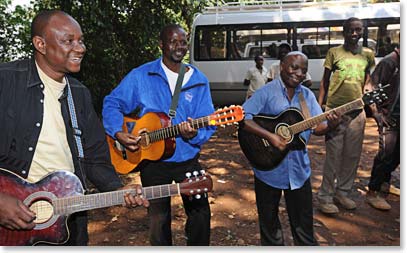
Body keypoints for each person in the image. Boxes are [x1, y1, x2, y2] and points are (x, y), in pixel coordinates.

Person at [0, 10, 149, 246]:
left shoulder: (78, 94)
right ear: (40, 44)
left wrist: (117, 190)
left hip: (67, 220)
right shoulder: (6, 81)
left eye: (80, 40)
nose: (80, 48)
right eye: (68, 41)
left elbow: (95, 156)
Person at [102, 24, 216, 246]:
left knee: (201, 215)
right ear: (161, 45)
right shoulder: (142, 75)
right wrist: (118, 132)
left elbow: (209, 122)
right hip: (152, 162)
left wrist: (193, 135)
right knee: (158, 219)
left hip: (187, 159)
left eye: (183, 42)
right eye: (173, 41)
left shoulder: (199, 80)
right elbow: (112, 102)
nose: (179, 46)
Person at [240, 51, 339, 245]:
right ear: (282, 66)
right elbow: (243, 118)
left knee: (304, 229)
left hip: (299, 171)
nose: (299, 73)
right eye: (294, 67)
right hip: (268, 167)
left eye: (304, 70)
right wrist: (270, 136)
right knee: (270, 227)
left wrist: (333, 124)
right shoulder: (267, 92)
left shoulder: (306, 96)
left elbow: (317, 127)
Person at [317, 17, 375, 214]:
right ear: (344, 32)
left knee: (352, 155)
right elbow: (325, 82)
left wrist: (367, 87)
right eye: (350, 30)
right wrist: (320, 108)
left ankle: (343, 192)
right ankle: (325, 197)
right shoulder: (334, 53)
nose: (354, 34)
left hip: (357, 112)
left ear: (362, 32)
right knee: (333, 155)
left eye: (358, 30)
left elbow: (368, 78)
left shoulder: (368, 54)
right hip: (335, 112)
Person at [365, 46, 400, 210]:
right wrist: (377, 114)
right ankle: (373, 191)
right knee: (386, 153)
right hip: (390, 117)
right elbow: (370, 89)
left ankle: (385, 183)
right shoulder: (389, 62)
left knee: (398, 153)